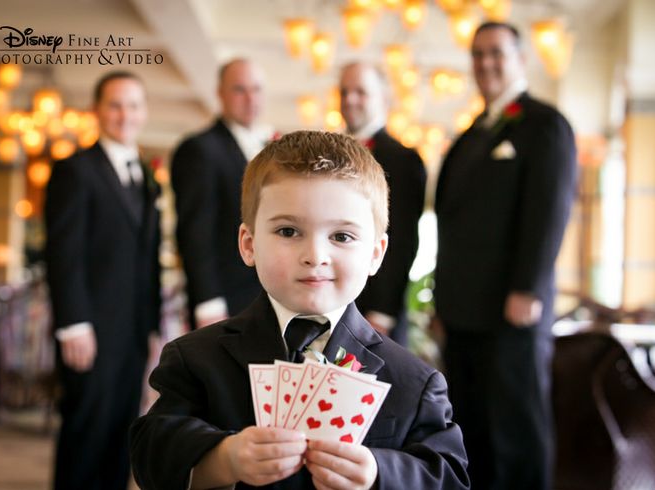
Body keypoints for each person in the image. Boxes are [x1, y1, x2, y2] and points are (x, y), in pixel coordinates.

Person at [130, 131, 470, 490]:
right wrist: (224, 457)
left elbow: (448, 475)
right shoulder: (193, 358)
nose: (315, 256)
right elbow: (152, 451)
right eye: (289, 231)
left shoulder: (415, 383)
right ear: (249, 245)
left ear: (375, 253)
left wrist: (379, 472)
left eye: (341, 236)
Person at [434, 22, 577, 490]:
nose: (486, 63)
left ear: (520, 59)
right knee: (471, 435)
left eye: (496, 52)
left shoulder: (543, 124)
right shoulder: (470, 134)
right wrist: (442, 302)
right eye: (477, 55)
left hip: (512, 312)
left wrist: (527, 288)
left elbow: (550, 210)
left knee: (517, 436)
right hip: (462, 315)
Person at [44, 71, 161, 490]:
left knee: (121, 434)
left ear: (144, 112)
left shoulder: (145, 176)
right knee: (85, 433)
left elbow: (147, 260)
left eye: (133, 105)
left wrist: (151, 327)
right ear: (97, 110)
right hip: (88, 329)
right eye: (115, 104)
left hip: (130, 333)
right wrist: (72, 324)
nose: (124, 114)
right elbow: (62, 253)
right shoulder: (75, 170)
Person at [172, 58, 272, 329]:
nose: (250, 98)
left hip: (267, 298)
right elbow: (195, 231)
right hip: (224, 301)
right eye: (240, 89)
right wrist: (208, 302)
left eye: (257, 89)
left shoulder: (271, 150)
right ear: (220, 94)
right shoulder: (199, 149)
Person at [339, 61, 426, 347]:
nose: (350, 100)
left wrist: (383, 312)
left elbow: (401, 240)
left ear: (384, 99)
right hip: (332, 304)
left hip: (375, 313)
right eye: (344, 91)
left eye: (361, 92)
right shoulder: (327, 155)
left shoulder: (403, 160)